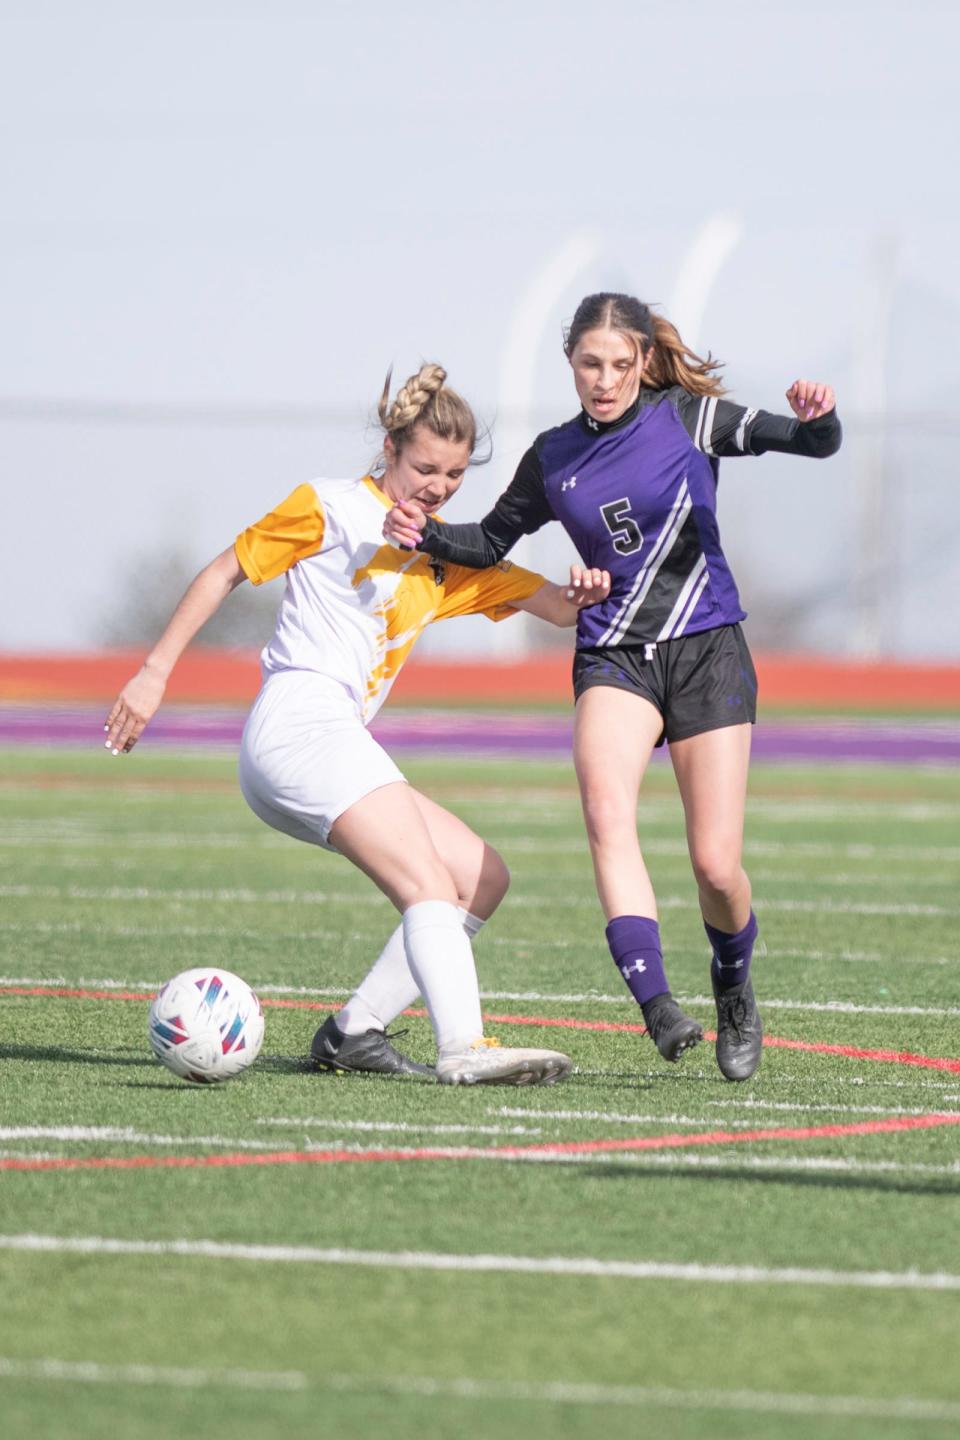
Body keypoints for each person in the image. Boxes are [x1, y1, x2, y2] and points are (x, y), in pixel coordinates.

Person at [104, 363, 611, 1087]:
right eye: (425, 467)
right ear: (390, 450)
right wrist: (153, 673)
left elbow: (558, 607)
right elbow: (222, 573)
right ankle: (464, 1045)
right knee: (430, 886)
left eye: (455, 475)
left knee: (481, 877)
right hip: (298, 725)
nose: (438, 486)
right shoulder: (330, 506)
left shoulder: (446, 558)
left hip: (336, 735)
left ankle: (355, 1032)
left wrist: (587, 587)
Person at [384, 294, 843, 1083]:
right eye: (590, 365)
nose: (604, 381)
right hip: (615, 655)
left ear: (643, 363)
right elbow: (489, 541)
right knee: (605, 813)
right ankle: (656, 1002)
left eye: (620, 365)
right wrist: (422, 529)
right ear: (571, 363)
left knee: (716, 868)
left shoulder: (690, 419)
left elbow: (814, 444)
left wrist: (818, 416)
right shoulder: (553, 456)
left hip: (707, 651)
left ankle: (733, 985)